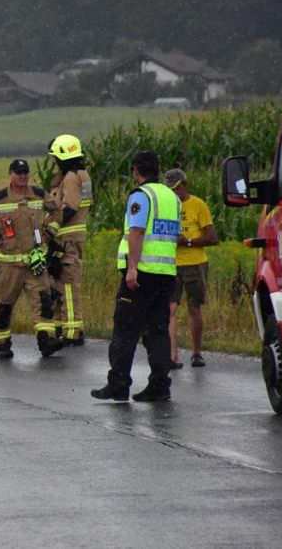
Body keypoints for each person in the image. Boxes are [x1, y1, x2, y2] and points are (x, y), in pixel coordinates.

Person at [92, 150, 181, 402]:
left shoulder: (142, 196)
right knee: (158, 331)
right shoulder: (172, 197)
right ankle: (160, 385)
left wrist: (132, 267)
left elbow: (137, 232)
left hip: (141, 275)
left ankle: (119, 384)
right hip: (166, 274)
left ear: (136, 171)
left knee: (125, 329)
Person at [0, 159, 64, 359]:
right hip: (8, 265)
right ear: (10, 174)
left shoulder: (38, 195)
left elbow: (57, 211)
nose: (22, 176)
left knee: (44, 302)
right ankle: (1, 343)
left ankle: (46, 340)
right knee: (4, 306)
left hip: (34, 263)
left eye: (25, 172)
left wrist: (49, 233)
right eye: (18, 172)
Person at [164, 168, 218, 369]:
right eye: (170, 189)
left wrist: (187, 242)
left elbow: (212, 238)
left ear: (184, 186)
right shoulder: (167, 205)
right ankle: (172, 355)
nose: (174, 193)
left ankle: (196, 353)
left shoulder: (198, 205)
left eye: (176, 189)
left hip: (195, 264)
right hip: (171, 264)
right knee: (170, 309)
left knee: (194, 308)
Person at [44, 134, 92, 345]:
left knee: (68, 287)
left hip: (67, 239)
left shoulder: (72, 177)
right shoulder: (82, 175)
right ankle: (61, 328)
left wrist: (52, 230)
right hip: (72, 238)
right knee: (57, 285)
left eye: (56, 158)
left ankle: (73, 333)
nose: (54, 162)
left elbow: (70, 207)